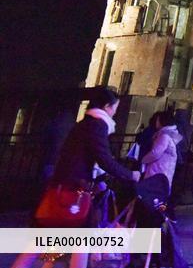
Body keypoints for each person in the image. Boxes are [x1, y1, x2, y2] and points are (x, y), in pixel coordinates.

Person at [14, 87, 140, 268]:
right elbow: (104, 159)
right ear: (106, 106)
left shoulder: (84, 123)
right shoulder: (98, 125)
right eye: (114, 108)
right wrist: (130, 175)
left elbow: (86, 157)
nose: (114, 113)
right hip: (74, 191)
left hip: (62, 186)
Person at [141, 110, 182, 194]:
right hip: (162, 171)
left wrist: (143, 160)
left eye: (157, 120)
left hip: (159, 171)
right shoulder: (168, 134)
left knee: (153, 196)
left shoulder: (164, 136)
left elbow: (155, 153)